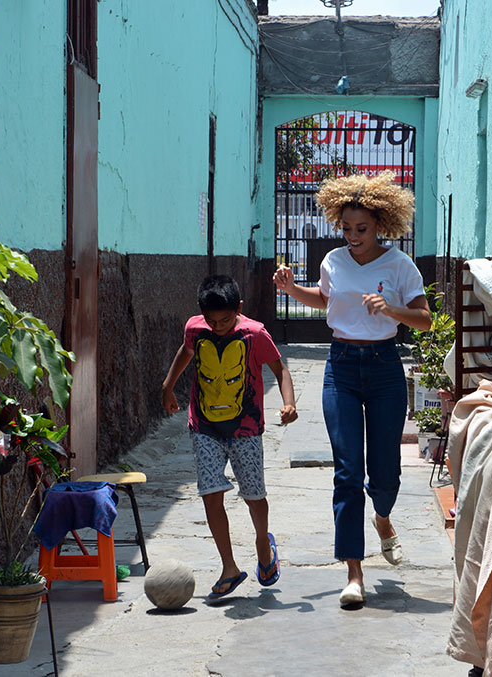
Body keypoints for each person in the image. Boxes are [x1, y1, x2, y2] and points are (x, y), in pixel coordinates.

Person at [273, 171, 431, 606]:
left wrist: (392, 309)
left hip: (384, 369)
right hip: (340, 367)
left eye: (361, 229)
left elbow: (425, 319)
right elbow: (326, 300)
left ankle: (382, 517)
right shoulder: (333, 262)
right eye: (346, 229)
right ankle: (354, 572)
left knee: (385, 474)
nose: (353, 236)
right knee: (347, 472)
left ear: (380, 225)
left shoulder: (399, 265)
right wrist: (292, 289)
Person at [162, 274, 298, 598]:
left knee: (253, 495)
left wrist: (289, 403)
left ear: (239, 308)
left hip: (245, 429)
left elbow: (280, 369)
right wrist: (168, 386)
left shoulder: (255, 333)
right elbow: (186, 350)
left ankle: (263, 543)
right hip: (204, 426)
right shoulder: (196, 329)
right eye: (212, 320)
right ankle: (229, 566)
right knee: (211, 493)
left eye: (225, 319)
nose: (218, 326)